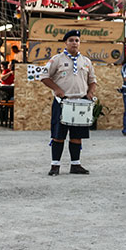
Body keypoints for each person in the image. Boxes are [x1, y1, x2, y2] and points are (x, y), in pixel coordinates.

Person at [41, 30, 96, 175]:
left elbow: (92, 81)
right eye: (71, 40)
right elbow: (44, 76)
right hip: (63, 102)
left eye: (77, 40)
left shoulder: (86, 61)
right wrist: (57, 89)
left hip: (81, 103)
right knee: (58, 135)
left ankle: (75, 165)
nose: (74, 43)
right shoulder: (57, 59)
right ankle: (55, 165)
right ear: (65, 43)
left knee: (77, 136)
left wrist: (90, 93)